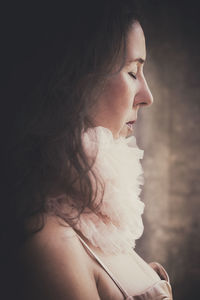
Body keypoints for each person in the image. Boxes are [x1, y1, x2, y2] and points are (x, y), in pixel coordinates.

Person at [2, 0, 173, 299]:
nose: (148, 96)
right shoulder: (52, 245)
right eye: (133, 72)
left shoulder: (95, 220)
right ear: (75, 81)